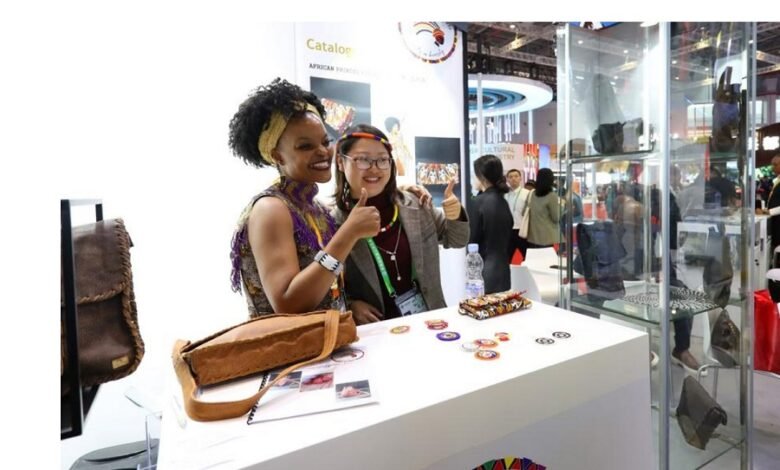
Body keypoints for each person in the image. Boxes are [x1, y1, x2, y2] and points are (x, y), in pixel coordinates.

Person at [227, 78, 381, 317]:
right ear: (277, 156)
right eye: (305, 146)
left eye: (325, 141)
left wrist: (349, 305)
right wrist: (348, 234)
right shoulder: (271, 209)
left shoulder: (314, 208)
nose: (322, 151)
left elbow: (323, 287)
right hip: (292, 353)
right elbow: (287, 304)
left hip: (328, 347)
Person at [331, 124, 469, 324]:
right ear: (341, 162)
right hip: (375, 335)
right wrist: (350, 304)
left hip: (429, 323)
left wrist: (455, 213)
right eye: (363, 159)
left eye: (382, 160)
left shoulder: (416, 203)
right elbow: (327, 285)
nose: (374, 168)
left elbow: (457, 240)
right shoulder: (334, 222)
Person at [468, 154, 514, 294]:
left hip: (483, 272)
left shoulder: (478, 202)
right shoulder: (503, 202)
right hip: (503, 270)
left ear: (481, 176)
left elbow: (471, 239)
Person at [525, 168, 561, 249]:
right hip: (547, 237)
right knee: (547, 260)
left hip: (532, 236)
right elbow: (556, 218)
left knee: (535, 260)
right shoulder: (552, 196)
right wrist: (562, 207)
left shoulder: (531, 194)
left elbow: (524, 212)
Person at [504, 169, 531, 260]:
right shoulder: (505, 195)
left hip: (522, 230)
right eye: (510, 177)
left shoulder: (527, 194)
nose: (513, 179)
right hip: (508, 231)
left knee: (527, 257)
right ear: (507, 179)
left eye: (516, 176)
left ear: (520, 178)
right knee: (506, 258)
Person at [761, 154, 780, 254]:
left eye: (775, 164)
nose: (773, 167)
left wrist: (769, 211)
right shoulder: (777, 180)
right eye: (772, 165)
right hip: (775, 222)